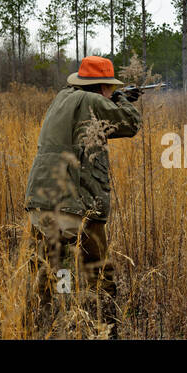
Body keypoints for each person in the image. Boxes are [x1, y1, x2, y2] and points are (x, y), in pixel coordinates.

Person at [24, 55, 141, 338]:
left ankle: (52, 322)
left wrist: (114, 99)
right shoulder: (93, 101)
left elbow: (91, 131)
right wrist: (123, 101)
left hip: (42, 200)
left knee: (55, 264)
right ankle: (106, 327)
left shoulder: (62, 98)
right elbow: (130, 124)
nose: (111, 92)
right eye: (109, 88)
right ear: (100, 87)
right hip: (77, 202)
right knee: (97, 271)